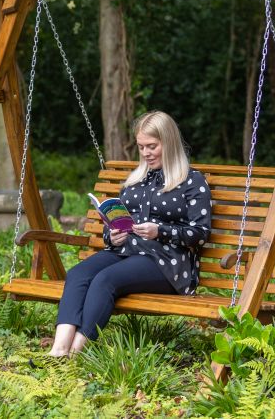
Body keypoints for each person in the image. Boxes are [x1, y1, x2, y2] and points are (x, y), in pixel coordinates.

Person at [48, 111, 213, 357]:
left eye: (152, 146)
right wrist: (111, 235)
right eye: (141, 147)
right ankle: (58, 350)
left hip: (166, 261)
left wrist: (161, 231)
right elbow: (116, 221)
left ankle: (75, 353)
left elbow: (200, 233)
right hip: (125, 249)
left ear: (169, 142)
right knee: (79, 273)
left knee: (106, 280)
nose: (146, 153)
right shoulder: (137, 180)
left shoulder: (191, 181)